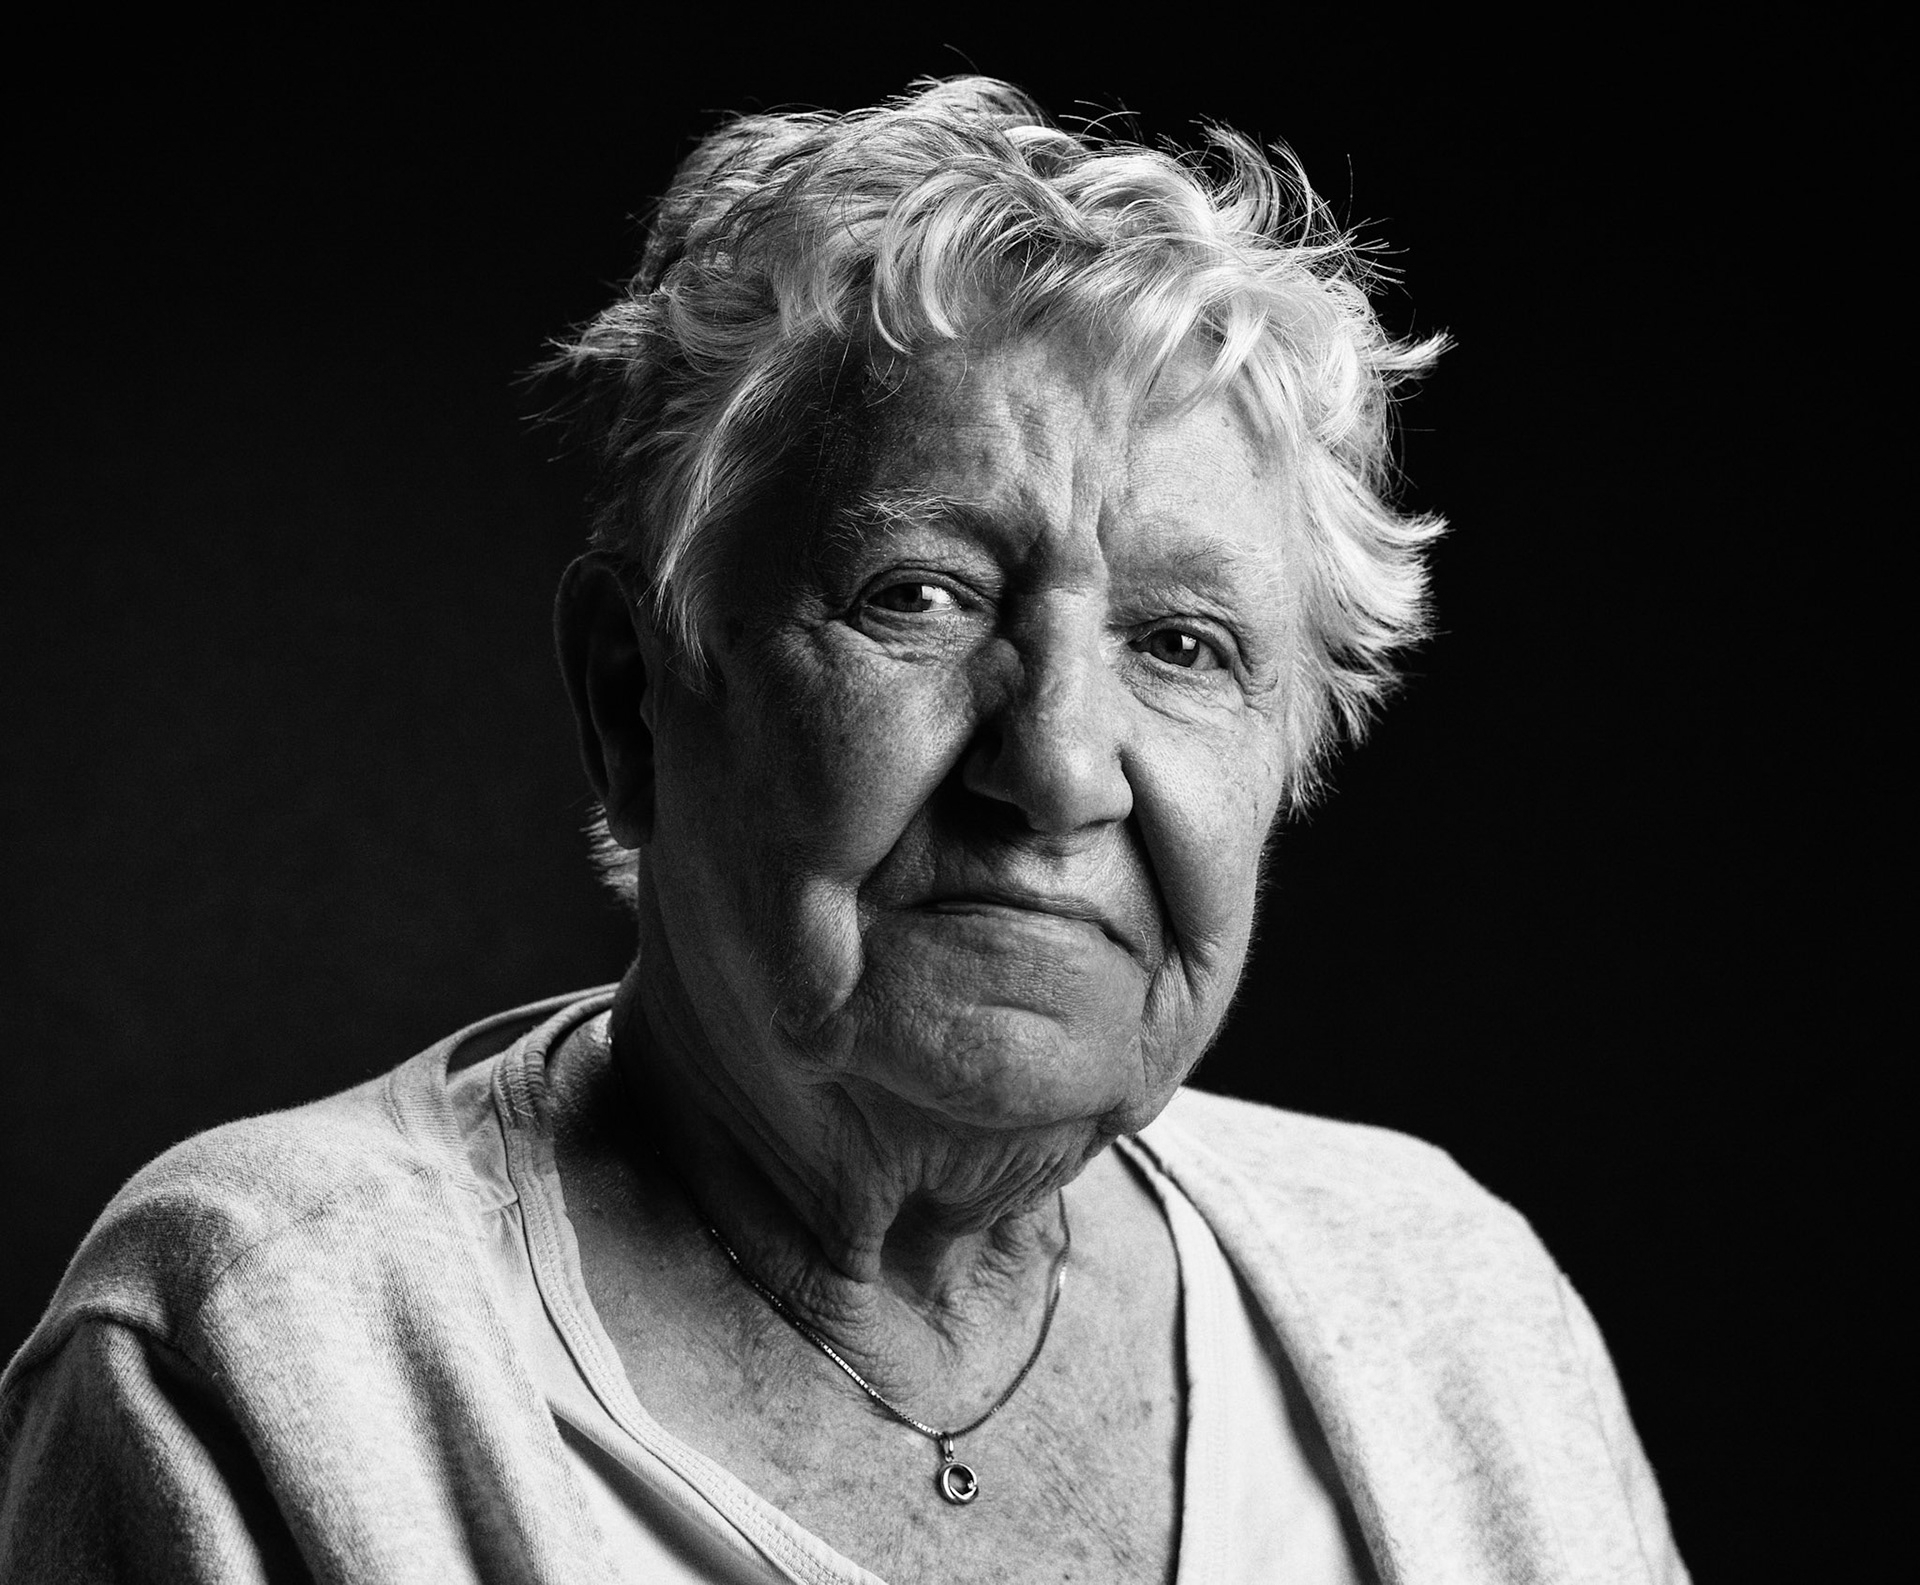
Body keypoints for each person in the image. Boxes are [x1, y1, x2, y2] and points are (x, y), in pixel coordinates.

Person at [0, 77, 1688, 1583]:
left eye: (1183, 644)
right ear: (632, 698)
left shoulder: (1450, 1302)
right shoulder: (260, 1345)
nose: (1058, 769)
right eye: (920, 594)